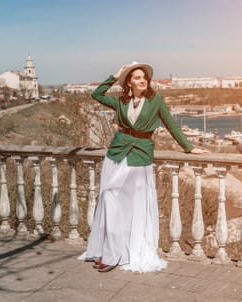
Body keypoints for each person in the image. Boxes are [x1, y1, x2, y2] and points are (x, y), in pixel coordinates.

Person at [79, 61, 208, 273]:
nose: (142, 80)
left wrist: (189, 147)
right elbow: (97, 94)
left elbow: (171, 124)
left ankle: (123, 253)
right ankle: (110, 251)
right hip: (117, 154)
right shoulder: (121, 101)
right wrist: (115, 76)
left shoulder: (156, 100)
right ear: (129, 82)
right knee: (109, 199)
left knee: (132, 207)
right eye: (137, 77)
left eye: (144, 77)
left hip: (139, 157)